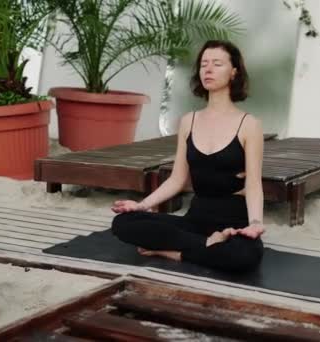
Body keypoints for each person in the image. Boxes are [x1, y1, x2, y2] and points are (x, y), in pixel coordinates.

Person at [110, 40, 265, 272]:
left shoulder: (249, 125)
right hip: (195, 218)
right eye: (204, 64)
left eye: (217, 64)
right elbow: (177, 179)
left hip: (232, 223)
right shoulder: (188, 121)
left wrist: (254, 223)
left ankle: (171, 252)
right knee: (123, 223)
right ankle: (205, 245)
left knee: (245, 256)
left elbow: (253, 184)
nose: (208, 69)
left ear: (234, 72)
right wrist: (142, 206)